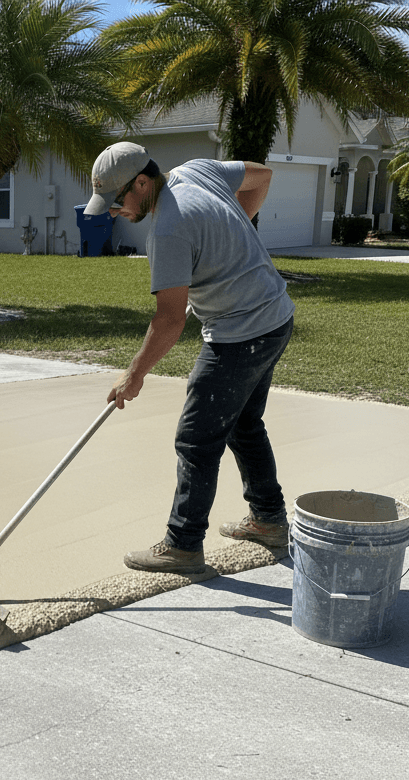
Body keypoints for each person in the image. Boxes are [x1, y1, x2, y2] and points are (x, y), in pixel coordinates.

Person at [84, 141, 295, 574]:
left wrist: (134, 376)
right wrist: (235, 234)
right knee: (244, 423)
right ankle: (269, 520)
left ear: (142, 183)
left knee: (196, 440)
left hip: (241, 334)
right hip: (277, 318)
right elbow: (261, 175)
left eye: (117, 201)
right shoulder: (197, 169)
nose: (112, 211)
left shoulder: (168, 230)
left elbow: (168, 322)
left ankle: (183, 545)